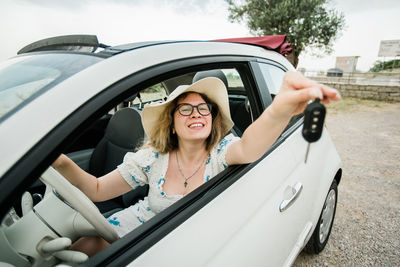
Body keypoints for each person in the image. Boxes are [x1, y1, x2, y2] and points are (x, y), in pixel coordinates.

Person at [52, 71, 340, 254]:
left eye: (204, 108)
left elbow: (250, 147)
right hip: (137, 227)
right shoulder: (153, 156)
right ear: (172, 124)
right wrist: (59, 162)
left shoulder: (221, 151)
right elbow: (98, 190)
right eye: (185, 109)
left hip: (184, 245)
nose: (196, 113)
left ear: (211, 120)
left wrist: (279, 110)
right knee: (76, 251)